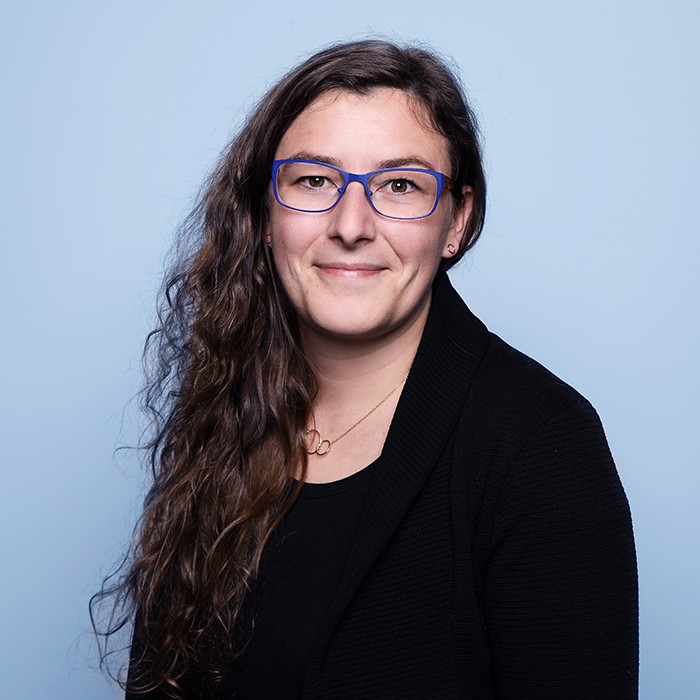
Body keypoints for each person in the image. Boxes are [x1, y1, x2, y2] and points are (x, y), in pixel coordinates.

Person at [94, 40, 638, 699]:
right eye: (314, 181)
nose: (351, 224)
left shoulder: (542, 445)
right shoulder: (226, 403)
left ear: (457, 221)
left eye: (400, 185)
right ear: (265, 213)